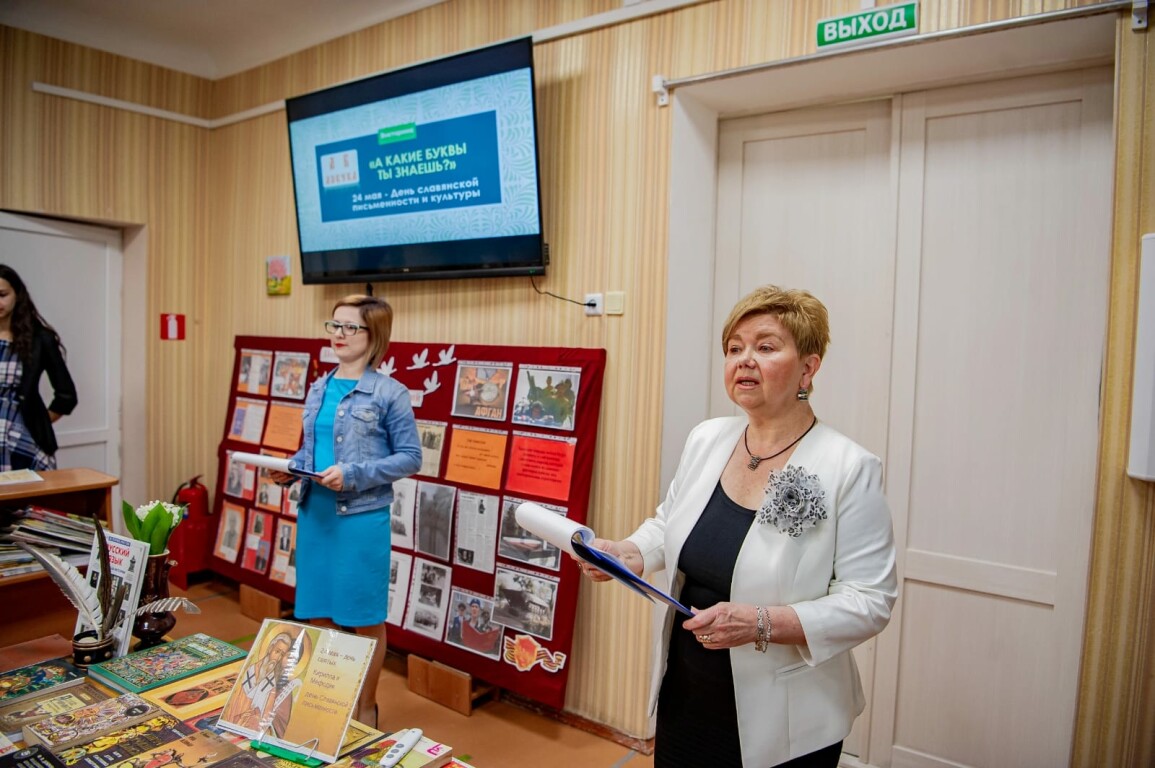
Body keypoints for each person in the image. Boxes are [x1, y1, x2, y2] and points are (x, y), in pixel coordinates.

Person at [580, 285, 897, 768]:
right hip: (687, 692)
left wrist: (761, 623)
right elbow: (669, 521)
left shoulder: (849, 467)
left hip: (787, 717)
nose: (744, 360)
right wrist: (630, 553)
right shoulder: (708, 438)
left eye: (765, 347)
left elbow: (869, 601)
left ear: (808, 369)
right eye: (734, 348)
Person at [269, 294, 422, 729]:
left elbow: (411, 457)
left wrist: (353, 474)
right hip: (315, 514)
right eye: (334, 325)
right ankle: (329, 705)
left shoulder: (390, 393)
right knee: (319, 613)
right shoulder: (320, 387)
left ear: (374, 335)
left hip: (360, 518)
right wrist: (290, 470)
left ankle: (365, 709)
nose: (339, 334)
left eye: (350, 327)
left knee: (362, 617)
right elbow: (312, 450)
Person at [0, 264, 77, 471]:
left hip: (21, 441)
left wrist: (36, 422)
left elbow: (66, 396)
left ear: (17, 295)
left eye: (2, 295)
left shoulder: (40, 339)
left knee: (29, 492)